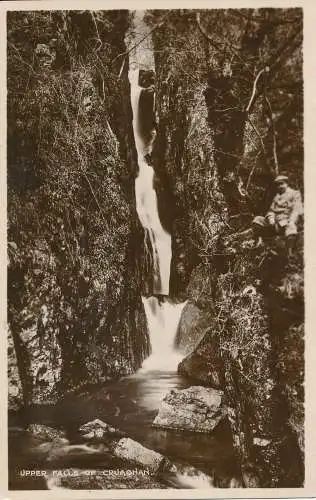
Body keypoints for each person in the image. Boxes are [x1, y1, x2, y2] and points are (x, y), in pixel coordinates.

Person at [252, 175, 303, 248]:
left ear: (287, 183)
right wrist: (271, 218)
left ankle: (290, 252)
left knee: (290, 229)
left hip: (287, 221)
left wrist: (291, 221)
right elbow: (271, 210)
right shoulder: (276, 197)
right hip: (275, 223)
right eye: (278, 185)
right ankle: (260, 241)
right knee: (257, 220)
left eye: (281, 183)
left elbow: (297, 209)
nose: (280, 186)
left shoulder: (294, 194)